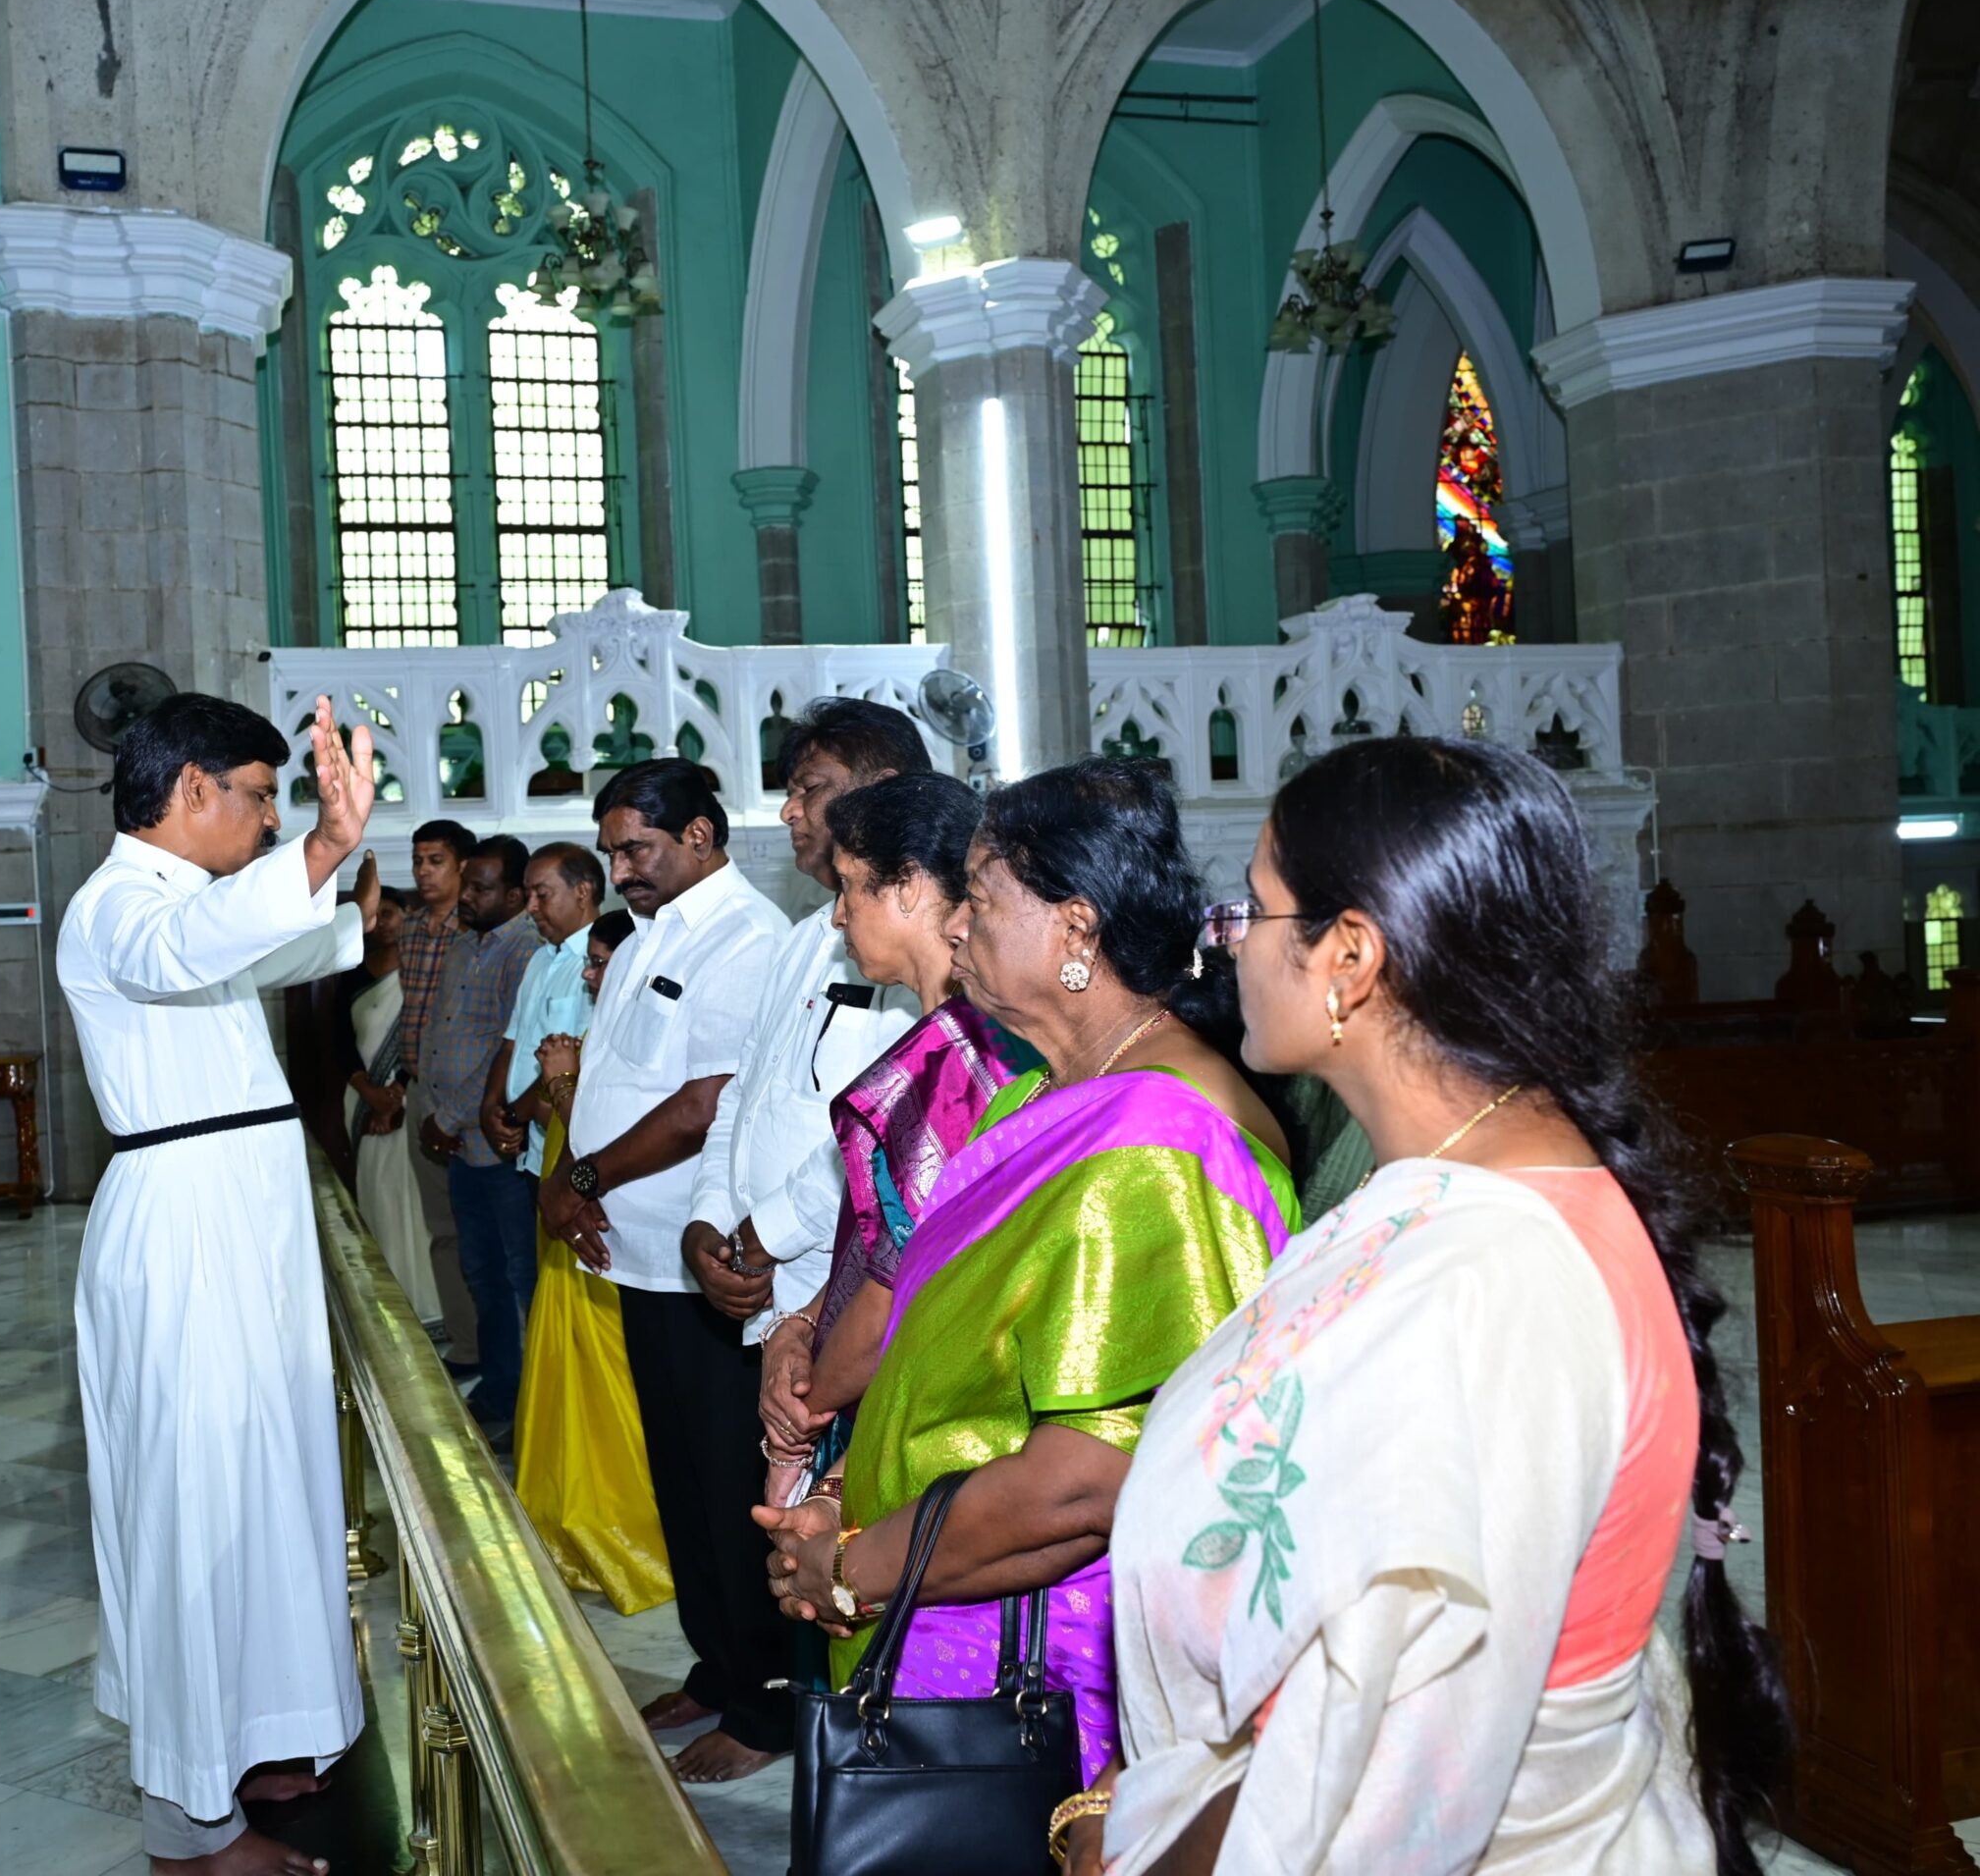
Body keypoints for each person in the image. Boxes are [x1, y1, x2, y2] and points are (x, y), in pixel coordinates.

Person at [1072, 738, 1787, 1876]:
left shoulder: (1488, 1277)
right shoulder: (1466, 1186)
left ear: (1347, 956)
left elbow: (1375, 1786)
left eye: (1250, 913)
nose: (1227, 948)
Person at [759, 759, 1299, 1790]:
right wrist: (838, 1496)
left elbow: (1091, 1478)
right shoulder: (1040, 1099)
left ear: (1078, 933)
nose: (956, 926)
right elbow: (933, 1354)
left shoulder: (1157, 1143)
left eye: (985, 898)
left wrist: (857, 1568)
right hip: (934, 1586)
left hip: (1035, 1657)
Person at [57, 689, 375, 1876]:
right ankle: (189, 1833)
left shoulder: (190, 903)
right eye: (255, 796)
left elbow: (288, 938)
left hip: (238, 1222)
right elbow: (188, 952)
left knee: (260, 1488)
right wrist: (324, 850)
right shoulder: (118, 908)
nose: (265, 819)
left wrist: (334, 870)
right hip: (185, 1231)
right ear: (191, 787)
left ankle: (257, 1738)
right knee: (194, 1511)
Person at [539, 759, 788, 1779]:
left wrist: (581, 1176)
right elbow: (619, 1080)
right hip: (639, 1260)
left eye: (636, 849)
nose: (622, 870)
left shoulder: (746, 939)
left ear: (699, 835)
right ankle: (717, 1665)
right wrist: (573, 1177)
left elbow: (704, 1104)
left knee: (733, 1485)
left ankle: (768, 1704)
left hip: (706, 1262)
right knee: (681, 1483)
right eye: (610, 853)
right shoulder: (647, 939)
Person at [681, 700, 927, 1558]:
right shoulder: (801, 940)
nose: (788, 811)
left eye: (809, 789)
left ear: (885, 794)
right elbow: (746, 1096)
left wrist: (765, 1231)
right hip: (771, 1292)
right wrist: (711, 1220)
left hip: (852, 1293)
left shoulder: (921, 952)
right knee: (764, 1531)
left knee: (845, 1535)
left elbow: (894, 1138)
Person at [755, 771, 1037, 1508]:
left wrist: (802, 1414)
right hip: (863, 1390)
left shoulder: (972, 1057)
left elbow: (910, 1284)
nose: (839, 915)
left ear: (908, 887)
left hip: (933, 1423)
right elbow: (879, 1236)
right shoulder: (933, 1036)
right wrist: (798, 1323)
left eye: (849, 887)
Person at [512, 907, 673, 1614]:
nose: (589, 972)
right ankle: (563, 1521)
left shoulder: (641, 1046)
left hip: (610, 1237)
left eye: (602, 962)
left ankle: (623, 1532)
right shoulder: (596, 1035)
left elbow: (609, 1140)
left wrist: (566, 1082)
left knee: (616, 1396)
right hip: (565, 1228)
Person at [418, 833, 543, 1434]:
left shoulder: (524, 951)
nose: (466, 896)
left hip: (494, 1147)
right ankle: (500, 1392)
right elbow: (445, 1033)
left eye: (480, 887)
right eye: (465, 884)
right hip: (462, 1145)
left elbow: (505, 1051)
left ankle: (531, 1408)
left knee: (520, 1280)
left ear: (517, 895)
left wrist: (450, 1116)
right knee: (482, 1274)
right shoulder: (466, 944)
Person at [398, 817, 482, 1368]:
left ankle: (494, 1347)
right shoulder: (410, 928)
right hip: (418, 1092)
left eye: (437, 862)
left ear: (463, 867)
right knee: (441, 1230)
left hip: (468, 1101)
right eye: (419, 862)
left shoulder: (473, 931)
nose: (424, 873)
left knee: (480, 1234)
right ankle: (464, 1341)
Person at [341, 885, 440, 1317]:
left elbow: (424, 1032)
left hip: (411, 1096)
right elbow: (339, 1039)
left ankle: (429, 1307)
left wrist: (397, 1095)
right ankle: (390, 1305)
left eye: (390, 913)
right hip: (363, 1102)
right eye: (374, 915)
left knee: (414, 1200)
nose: (382, 922)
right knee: (377, 1195)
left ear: (409, 916)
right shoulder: (352, 970)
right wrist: (370, 1093)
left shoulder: (422, 968)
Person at [484, 842, 606, 1181]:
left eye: (542, 894)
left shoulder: (601, 964)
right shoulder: (540, 958)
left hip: (567, 1147)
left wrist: (513, 1117)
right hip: (529, 1148)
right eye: (528, 895)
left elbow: (577, 1056)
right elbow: (512, 1042)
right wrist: (489, 1107)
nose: (531, 907)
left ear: (582, 891)